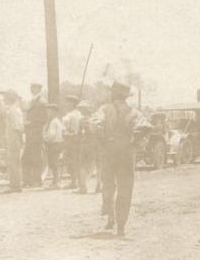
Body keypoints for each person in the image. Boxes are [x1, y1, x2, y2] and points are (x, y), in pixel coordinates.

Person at [89, 81, 151, 237]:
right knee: (125, 187)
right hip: (126, 151)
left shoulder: (105, 109)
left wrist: (103, 140)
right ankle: (121, 227)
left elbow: (95, 125)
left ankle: (111, 217)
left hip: (109, 149)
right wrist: (133, 141)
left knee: (108, 186)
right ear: (126, 96)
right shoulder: (133, 112)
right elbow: (145, 127)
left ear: (113, 94)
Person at [22, 83, 47, 187]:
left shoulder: (41, 102)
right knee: (27, 157)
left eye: (34, 87)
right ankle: (29, 181)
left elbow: (43, 118)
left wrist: (30, 123)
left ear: (39, 89)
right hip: (30, 134)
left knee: (36, 157)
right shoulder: (33, 101)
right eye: (31, 87)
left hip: (36, 134)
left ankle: (37, 180)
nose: (32, 89)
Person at [1, 89, 24, 192]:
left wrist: (15, 140)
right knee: (13, 161)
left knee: (14, 161)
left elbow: (17, 127)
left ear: (10, 98)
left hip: (14, 137)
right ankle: (14, 184)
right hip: (12, 137)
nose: (3, 99)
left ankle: (16, 185)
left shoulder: (14, 110)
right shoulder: (12, 109)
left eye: (5, 97)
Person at [61, 95, 83, 190]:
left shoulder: (74, 115)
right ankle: (75, 180)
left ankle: (75, 181)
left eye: (69, 102)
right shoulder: (73, 113)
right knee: (72, 159)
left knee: (72, 160)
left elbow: (73, 129)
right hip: (71, 139)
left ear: (73, 103)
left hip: (72, 138)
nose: (67, 104)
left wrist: (66, 130)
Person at [74, 101, 96, 194]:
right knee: (89, 165)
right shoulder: (93, 119)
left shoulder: (82, 120)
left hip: (85, 144)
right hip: (91, 144)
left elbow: (78, 133)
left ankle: (83, 186)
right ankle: (84, 185)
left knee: (83, 165)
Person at [42, 103, 65, 189]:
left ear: (54, 112)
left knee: (54, 163)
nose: (49, 113)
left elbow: (52, 134)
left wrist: (45, 139)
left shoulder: (54, 122)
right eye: (48, 111)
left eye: (51, 111)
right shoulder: (54, 121)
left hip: (54, 144)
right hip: (55, 143)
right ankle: (55, 181)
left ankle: (56, 182)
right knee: (53, 163)